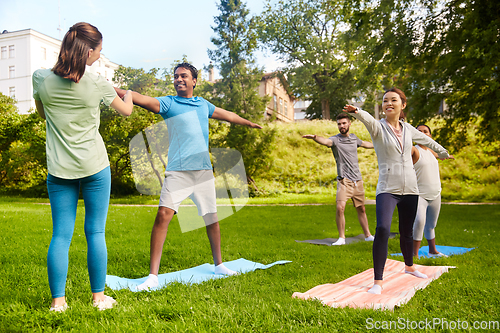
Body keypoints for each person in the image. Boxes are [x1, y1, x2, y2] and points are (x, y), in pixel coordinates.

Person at [114, 62, 262, 291]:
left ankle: (219, 265)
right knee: (163, 215)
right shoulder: (168, 103)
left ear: (194, 81)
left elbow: (228, 115)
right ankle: (152, 276)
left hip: (203, 171)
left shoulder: (203, 105)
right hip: (178, 172)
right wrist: (109, 88)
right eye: (176, 76)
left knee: (211, 218)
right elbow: (139, 97)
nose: (179, 79)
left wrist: (248, 122)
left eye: (184, 76)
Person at [33, 22, 133, 312]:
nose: (100, 56)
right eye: (99, 50)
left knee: (60, 235)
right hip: (95, 167)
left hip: (59, 170)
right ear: (88, 50)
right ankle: (98, 298)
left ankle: (58, 302)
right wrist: (126, 93)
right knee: (95, 233)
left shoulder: (40, 78)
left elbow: (42, 112)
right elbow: (126, 110)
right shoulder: (98, 83)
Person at [343, 88, 453, 294]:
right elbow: (367, 119)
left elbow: (426, 140)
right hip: (387, 188)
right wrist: (356, 111)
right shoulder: (378, 128)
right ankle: (378, 281)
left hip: (411, 188)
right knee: (383, 229)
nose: (388, 103)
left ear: (402, 105)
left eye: (393, 100)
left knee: (407, 231)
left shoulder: (409, 129)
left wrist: (442, 152)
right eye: (385, 101)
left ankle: (410, 267)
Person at [303, 113, 374, 245]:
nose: (341, 126)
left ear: (349, 124)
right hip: (344, 180)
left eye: (343, 123)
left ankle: (368, 235)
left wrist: (378, 145)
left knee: (361, 208)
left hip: (357, 180)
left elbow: (365, 144)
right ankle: (341, 238)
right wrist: (315, 138)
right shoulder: (335, 140)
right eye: (339, 124)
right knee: (340, 207)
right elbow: (326, 142)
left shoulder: (354, 139)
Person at [411, 125, 452, 258]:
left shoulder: (430, 150)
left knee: (431, 224)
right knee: (419, 221)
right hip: (419, 195)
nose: (422, 134)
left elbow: (438, 154)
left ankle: (432, 250)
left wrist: (444, 155)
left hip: (435, 193)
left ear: (430, 136)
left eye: (425, 132)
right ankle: (414, 254)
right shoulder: (414, 150)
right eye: (419, 132)